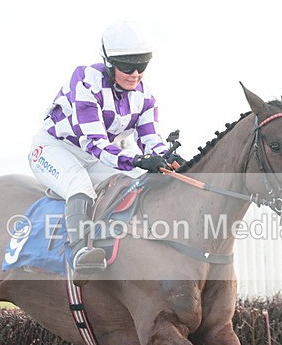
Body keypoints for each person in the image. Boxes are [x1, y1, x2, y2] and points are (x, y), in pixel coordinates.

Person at [28, 20, 184, 282]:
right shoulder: (85, 82)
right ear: (109, 63)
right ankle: (80, 253)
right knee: (79, 184)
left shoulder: (145, 96)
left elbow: (150, 138)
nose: (135, 74)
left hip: (93, 157)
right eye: (126, 66)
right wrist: (137, 158)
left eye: (141, 65)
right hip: (53, 149)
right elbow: (95, 142)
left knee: (137, 181)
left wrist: (167, 157)